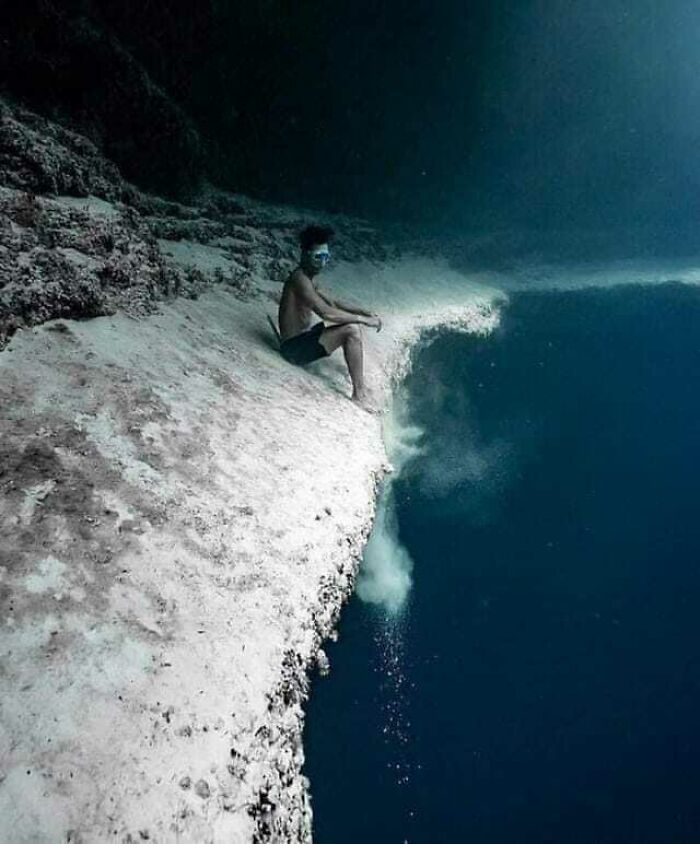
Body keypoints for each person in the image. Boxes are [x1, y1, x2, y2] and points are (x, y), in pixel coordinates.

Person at [278, 224, 382, 408]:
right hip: (293, 350)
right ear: (305, 254)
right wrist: (363, 320)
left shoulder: (308, 278)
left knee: (350, 324)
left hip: (301, 340)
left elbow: (333, 303)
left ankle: (359, 389)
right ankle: (359, 395)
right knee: (352, 330)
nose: (323, 262)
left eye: (326, 257)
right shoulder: (299, 279)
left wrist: (362, 311)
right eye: (319, 257)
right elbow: (325, 312)